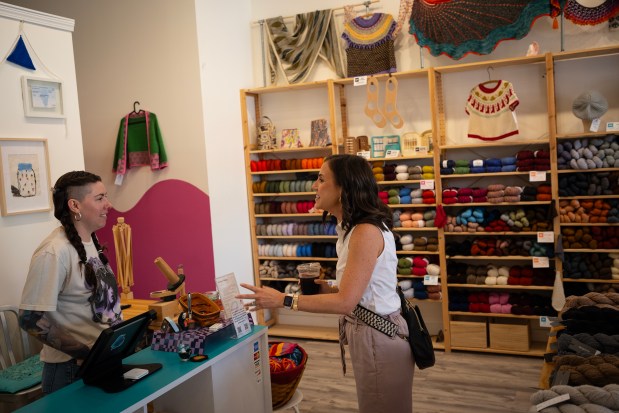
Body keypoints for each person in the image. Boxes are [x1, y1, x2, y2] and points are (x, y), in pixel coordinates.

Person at [238, 154, 413, 412]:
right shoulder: (351, 229)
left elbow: (345, 302)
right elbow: (359, 292)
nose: (314, 186)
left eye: (321, 179)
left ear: (343, 188)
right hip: (372, 334)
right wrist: (327, 289)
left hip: (378, 337)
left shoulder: (365, 232)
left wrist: (283, 299)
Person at [19, 171, 122, 394]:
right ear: (75, 205)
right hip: (71, 371)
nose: (109, 204)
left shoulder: (89, 242)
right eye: (100, 198)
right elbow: (29, 319)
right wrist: (84, 354)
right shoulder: (54, 252)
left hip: (101, 362)